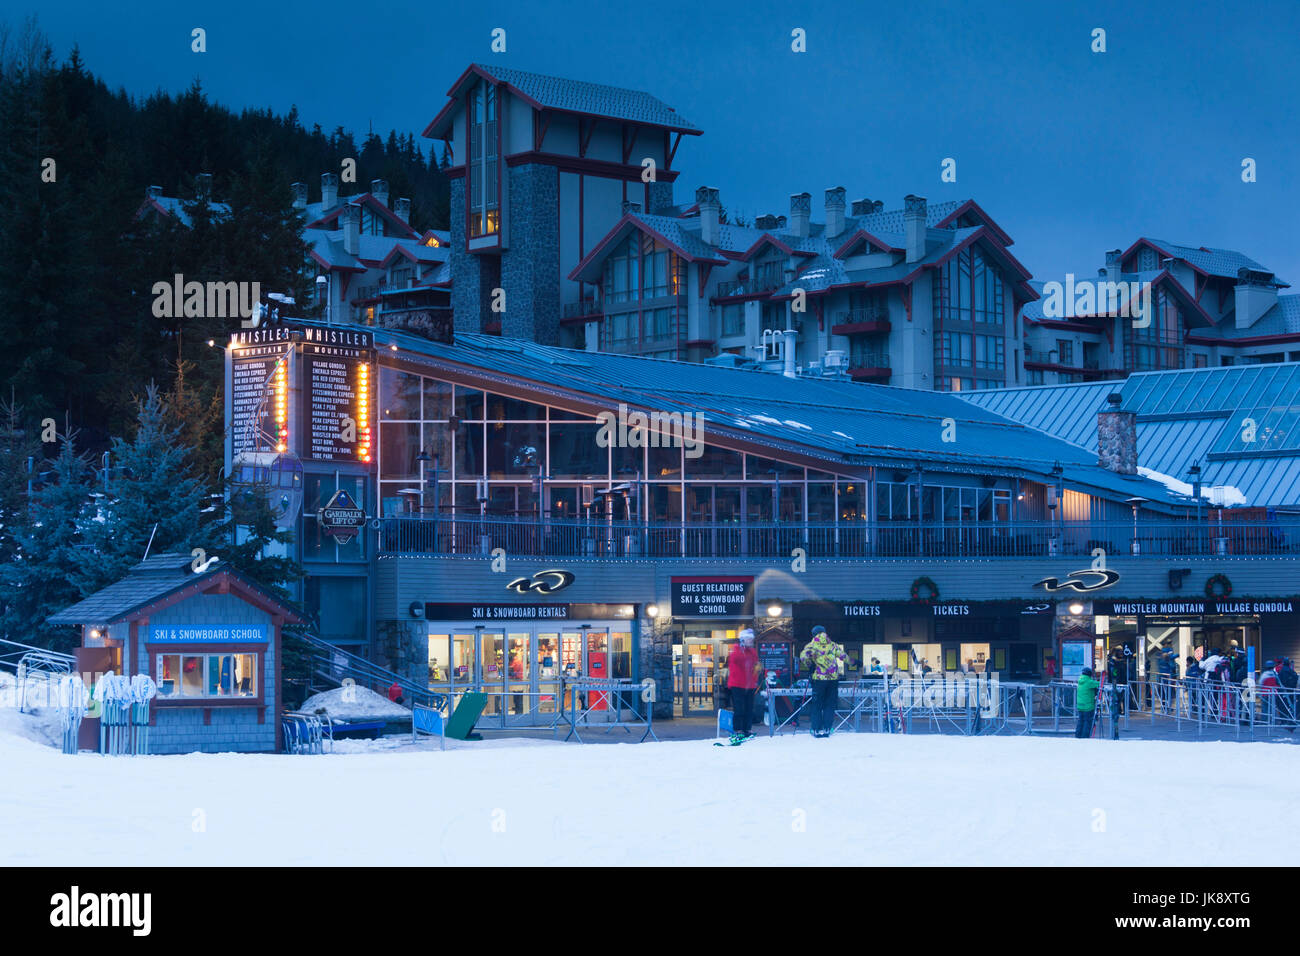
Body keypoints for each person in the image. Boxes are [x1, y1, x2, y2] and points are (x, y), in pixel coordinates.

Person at [799, 625, 846, 738]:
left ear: (814, 634)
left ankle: (815, 728)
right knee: (829, 704)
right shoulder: (833, 645)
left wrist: (810, 665)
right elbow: (844, 656)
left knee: (817, 704)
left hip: (818, 680)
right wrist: (855, 662)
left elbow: (803, 657)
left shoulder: (812, 645)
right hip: (833, 679)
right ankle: (827, 728)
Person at [725, 629, 762, 738]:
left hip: (749, 685)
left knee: (749, 708)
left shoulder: (752, 652)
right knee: (739, 708)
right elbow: (737, 660)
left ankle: (747, 729)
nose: (751, 641)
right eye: (749, 639)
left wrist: (756, 673)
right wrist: (742, 648)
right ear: (742, 639)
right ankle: (738, 729)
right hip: (737, 684)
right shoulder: (736, 651)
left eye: (752, 639)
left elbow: (755, 664)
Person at [1075, 667, 1099, 738]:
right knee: (1087, 722)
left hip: (1080, 706)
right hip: (1088, 706)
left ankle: (1078, 735)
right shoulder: (1089, 682)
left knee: (1080, 721)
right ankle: (1085, 737)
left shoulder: (1080, 681)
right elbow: (1099, 684)